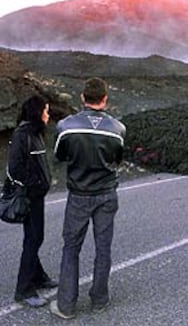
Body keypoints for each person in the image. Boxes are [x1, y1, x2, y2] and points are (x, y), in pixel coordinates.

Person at [50, 77, 126, 319]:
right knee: (103, 248)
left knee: (71, 248)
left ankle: (66, 305)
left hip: (79, 195)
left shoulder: (66, 126)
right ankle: (100, 300)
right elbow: (117, 159)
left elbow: (60, 156)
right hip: (106, 194)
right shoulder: (118, 128)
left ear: (82, 97)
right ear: (105, 99)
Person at [7, 95, 57, 307]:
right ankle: (24, 290)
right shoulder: (23, 134)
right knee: (34, 238)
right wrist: (34, 184)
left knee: (34, 237)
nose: (48, 114)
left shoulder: (35, 133)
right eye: (45, 110)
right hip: (30, 196)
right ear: (37, 112)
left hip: (37, 195)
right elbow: (15, 167)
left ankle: (39, 277)